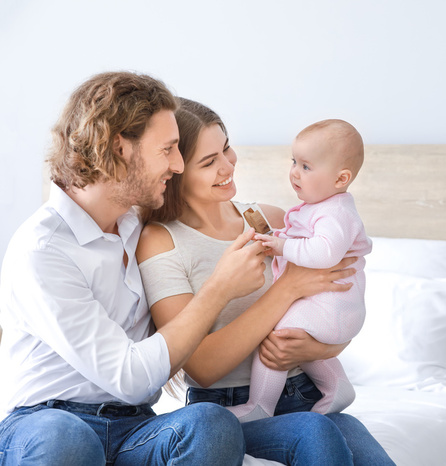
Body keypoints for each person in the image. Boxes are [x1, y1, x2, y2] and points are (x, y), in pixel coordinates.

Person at [0, 71, 269, 465]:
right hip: (46, 421)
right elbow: (129, 378)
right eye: (168, 150)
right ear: (120, 147)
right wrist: (219, 289)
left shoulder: (139, 224)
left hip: (136, 428)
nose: (178, 166)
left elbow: (212, 211)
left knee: (211, 424)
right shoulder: (43, 249)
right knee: (68, 439)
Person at [136, 98, 395, 465]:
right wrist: (287, 289)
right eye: (209, 162)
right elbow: (203, 368)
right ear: (175, 169)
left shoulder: (270, 219)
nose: (227, 166)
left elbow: (338, 303)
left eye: (226, 148)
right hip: (232, 406)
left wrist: (318, 350)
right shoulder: (161, 241)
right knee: (314, 433)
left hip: (308, 391)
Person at [230, 119, 371, 422]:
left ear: (340, 178)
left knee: (280, 334)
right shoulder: (320, 207)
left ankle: (260, 405)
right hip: (331, 307)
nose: (294, 171)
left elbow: (323, 252)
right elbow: (306, 241)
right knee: (291, 334)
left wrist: (282, 247)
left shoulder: (336, 213)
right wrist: (278, 238)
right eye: (294, 161)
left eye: (306, 166)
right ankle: (336, 386)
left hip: (335, 307)